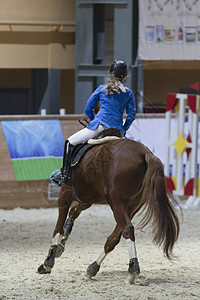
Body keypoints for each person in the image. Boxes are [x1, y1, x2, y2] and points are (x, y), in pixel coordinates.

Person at [50, 59, 136, 186]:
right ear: (125, 77)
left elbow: (88, 109)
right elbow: (131, 115)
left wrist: (93, 121)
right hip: (117, 131)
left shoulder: (101, 89)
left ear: (111, 74)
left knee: (69, 142)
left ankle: (64, 174)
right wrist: (123, 129)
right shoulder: (128, 93)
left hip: (99, 127)